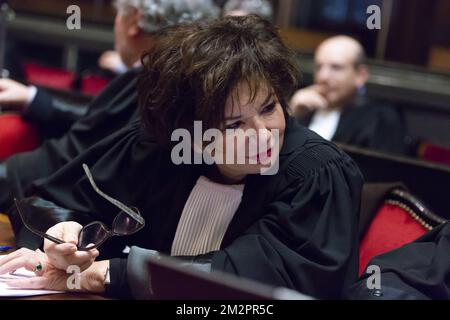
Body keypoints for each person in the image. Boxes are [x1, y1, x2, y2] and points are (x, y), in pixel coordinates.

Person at [0, 15, 363, 299]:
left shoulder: (315, 175)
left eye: (269, 108)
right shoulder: (159, 149)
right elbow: (54, 199)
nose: (263, 133)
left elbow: (247, 283)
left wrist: (106, 274)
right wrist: (62, 238)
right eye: (234, 124)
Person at [0, 0, 219, 212]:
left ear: (135, 20)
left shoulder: (148, 81)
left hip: (59, 198)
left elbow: (78, 154)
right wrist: (32, 98)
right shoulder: (181, 84)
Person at [290, 36, 407, 155]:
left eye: (336, 67)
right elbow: (271, 164)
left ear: (360, 75)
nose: (323, 76)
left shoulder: (380, 119)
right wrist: (290, 116)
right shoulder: (302, 106)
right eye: (318, 67)